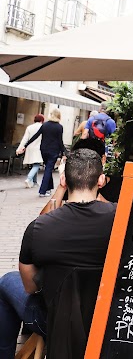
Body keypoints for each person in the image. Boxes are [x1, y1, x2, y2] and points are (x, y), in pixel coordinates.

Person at [0, 147, 115, 358]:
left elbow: (29, 286)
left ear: (63, 180)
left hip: (53, 322)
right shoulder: (121, 221)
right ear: (101, 181)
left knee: (7, 281)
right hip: (108, 324)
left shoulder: (39, 228)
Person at [19, 109, 66, 198]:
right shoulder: (59, 127)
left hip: (43, 150)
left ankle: (49, 188)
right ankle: (43, 191)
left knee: (48, 169)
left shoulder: (45, 125)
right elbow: (60, 141)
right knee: (48, 169)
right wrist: (63, 152)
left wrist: (25, 145)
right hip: (54, 151)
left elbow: (36, 136)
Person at [16, 115, 44, 189]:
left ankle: (34, 182)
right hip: (38, 148)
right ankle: (29, 178)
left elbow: (25, 139)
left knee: (34, 164)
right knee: (37, 165)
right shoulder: (43, 127)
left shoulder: (29, 127)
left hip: (30, 148)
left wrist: (19, 148)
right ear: (42, 120)